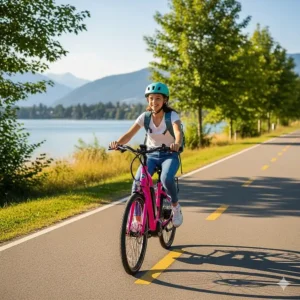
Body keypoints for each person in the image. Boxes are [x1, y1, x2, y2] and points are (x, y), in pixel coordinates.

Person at [109, 82, 183, 228]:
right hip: (151, 155)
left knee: (166, 178)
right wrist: (118, 143)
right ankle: (137, 220)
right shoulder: (145, 117)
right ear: (147, 100)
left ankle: (175, 207)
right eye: (151, 98)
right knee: (137, 183)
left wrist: (177, 143)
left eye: (158, 98)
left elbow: (178, 132)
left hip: (169, 154)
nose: (154, 102)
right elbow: (129, 134)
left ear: (165, 100)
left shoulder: (172, 116)